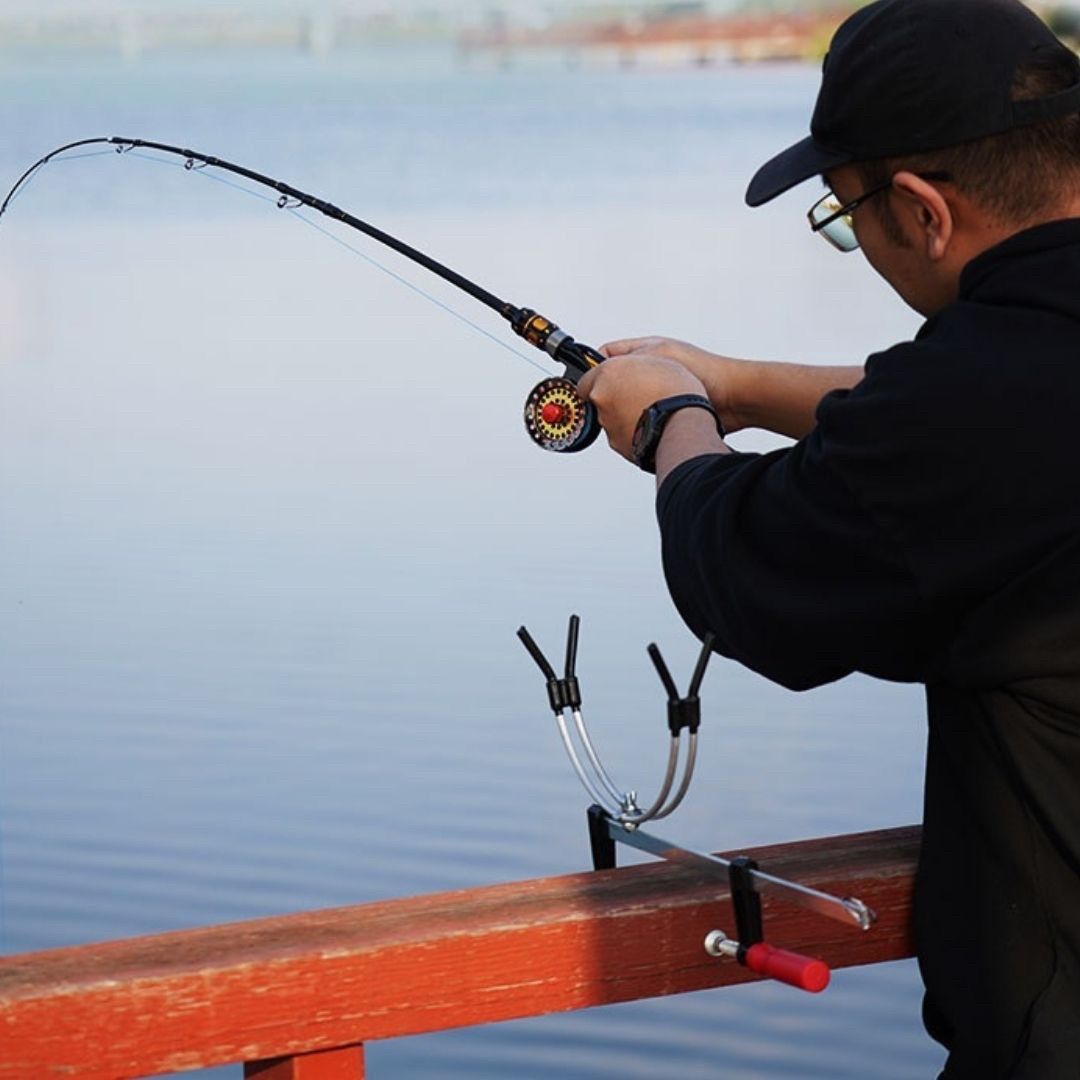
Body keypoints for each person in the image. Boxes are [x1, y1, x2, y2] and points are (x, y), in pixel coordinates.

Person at [575, 0, 1080, 1076]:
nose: (859, 243)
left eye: (844, 215)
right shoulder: (1016, 377)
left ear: (920, 208)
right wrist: (740, 385)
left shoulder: (984, 402)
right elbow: (971, 418)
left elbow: (749, 569)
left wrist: (670, 420)